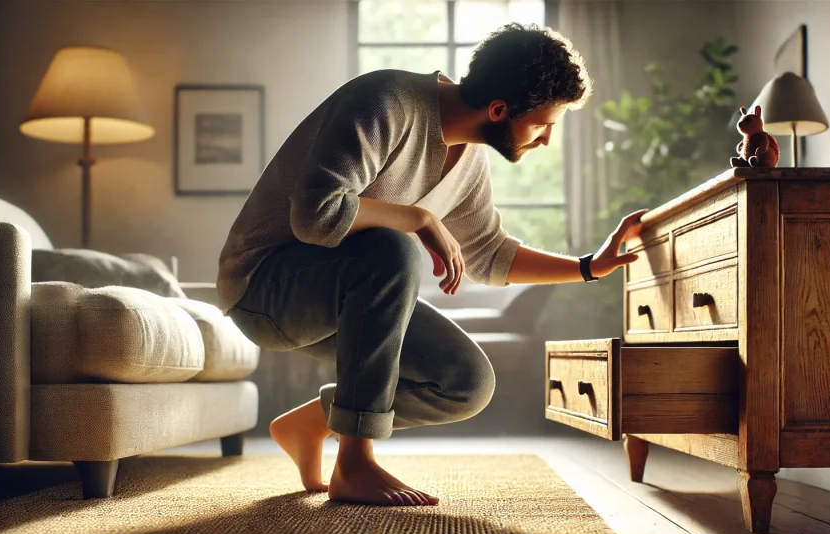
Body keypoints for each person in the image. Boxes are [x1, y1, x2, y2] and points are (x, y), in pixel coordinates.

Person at [216, 22, 647, 507]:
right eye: (543, 124)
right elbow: (315, 216)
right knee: (393, 248)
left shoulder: (471, 160)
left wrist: (591, 265)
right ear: (500, 110)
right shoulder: (387, 100)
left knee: (466, 383)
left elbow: (488, 252)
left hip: (344, 298)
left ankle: (313, 423)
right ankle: (354, 464)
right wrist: (416, 217)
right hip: (264, 288)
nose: (547, 139)